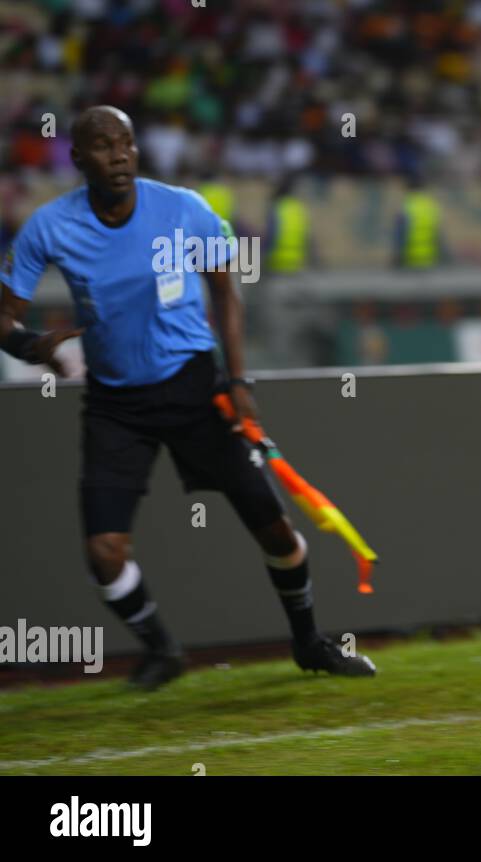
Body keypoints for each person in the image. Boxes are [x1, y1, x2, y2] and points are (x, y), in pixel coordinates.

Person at [0, 106, 376, 689]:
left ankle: (309, 642)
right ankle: (163, 650)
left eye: (127, 142)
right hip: (115, 404)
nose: (120, 155)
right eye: (103, 145)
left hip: (197, 392)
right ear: (77, 158)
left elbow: (226, 291)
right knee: (103, 551)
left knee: (275, 531)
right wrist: (32, 345)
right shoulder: (49, 227)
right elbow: (4, 317)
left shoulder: (184, 208)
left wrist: (238, 382)